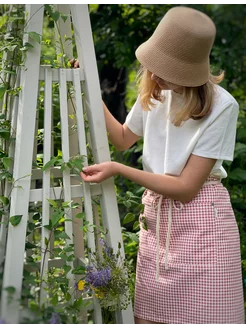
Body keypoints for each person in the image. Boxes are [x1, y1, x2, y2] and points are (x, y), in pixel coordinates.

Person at [77, 6, 244, 324]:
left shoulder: (222, 106)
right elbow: (124, 138)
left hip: (202, 224)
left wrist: (119, 169)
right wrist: (88, 92)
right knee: (150, 319)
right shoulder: (154, 92)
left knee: (208, 319)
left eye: (163, 68)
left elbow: (185, 189)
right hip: (158, 220)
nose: (152, 74)